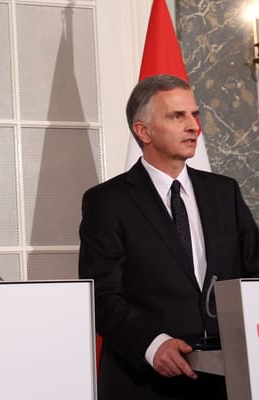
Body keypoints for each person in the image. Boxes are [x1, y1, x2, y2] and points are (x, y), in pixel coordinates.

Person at [78, 74, 259, 399]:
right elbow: (100, 296)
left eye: (195, 115)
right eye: (178, 116)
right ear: (143, 131)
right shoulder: (107, 201)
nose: (193, 126)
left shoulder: (224, 192)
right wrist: (153, 344)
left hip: (227, 381)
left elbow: (255, 273)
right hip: (145, 382)